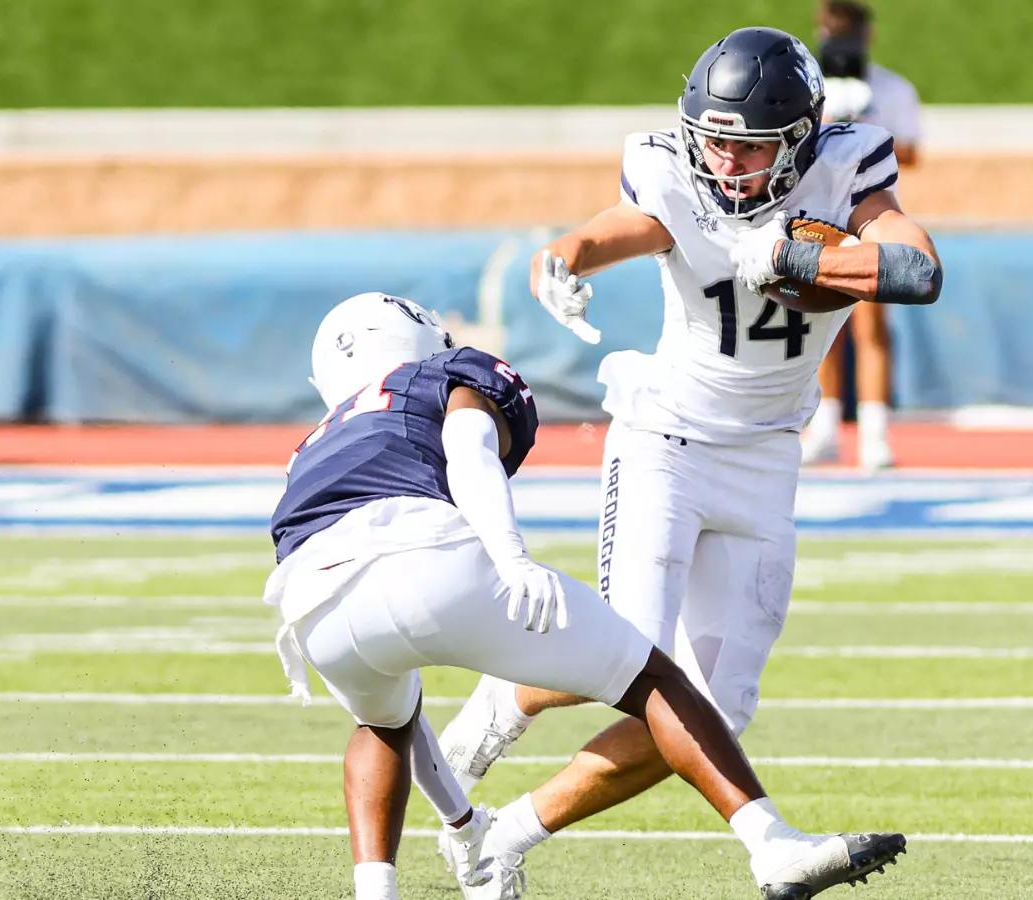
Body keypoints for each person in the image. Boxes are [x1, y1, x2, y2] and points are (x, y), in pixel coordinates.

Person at [437, 25, 941, 893]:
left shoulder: (845, 165)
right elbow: (626, 224)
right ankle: (497, 709)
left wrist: (798, 253)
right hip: (666, 436)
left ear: (798, 141)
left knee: (712, 713)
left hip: (769, 455)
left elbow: (918, 268)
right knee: (629, 657)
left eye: (746, 148)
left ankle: (505, 839)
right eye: (713, 140)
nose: (723, 163)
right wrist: (561, 257)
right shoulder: (673, 166)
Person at [264, 291, 906, 900]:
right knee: (657, 678)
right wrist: (509, 554)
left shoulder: (312, 443)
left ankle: (380, 890)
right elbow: (469, 448)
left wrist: (464, 825)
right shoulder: (439, 373)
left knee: (381, 727)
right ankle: (771, 845)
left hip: (313, 608)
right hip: (429, 557)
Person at [802, 0, 926, 469]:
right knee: (820, 319)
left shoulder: (892, 89)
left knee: (871, 323)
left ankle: (875, 431)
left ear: (867, 35)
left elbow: (912, 153)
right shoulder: (808, 85)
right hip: (819, 211)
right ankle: (827, 424)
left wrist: (869, 129)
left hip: (870, 211)